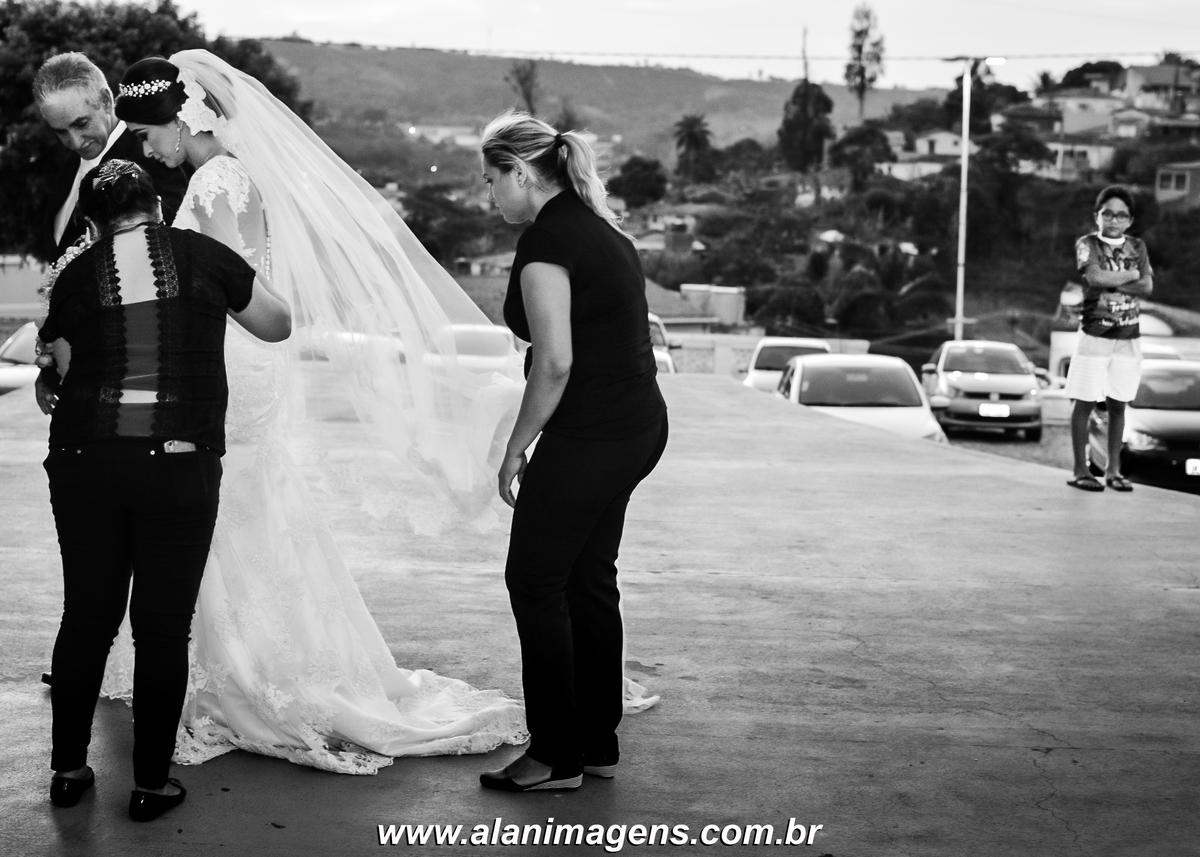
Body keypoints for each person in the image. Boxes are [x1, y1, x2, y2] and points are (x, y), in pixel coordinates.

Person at [90, 52, 531, 775]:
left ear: (185, 118)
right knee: (241, 509)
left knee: (223, 509)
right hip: (238, 365)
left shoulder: (218, 179)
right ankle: (225, 659)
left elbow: (225, 288)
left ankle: (249, 670)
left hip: (227, 365)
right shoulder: (230, 176)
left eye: (148, 132)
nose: (145, 146)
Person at [39, 159, 291, 821]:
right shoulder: (203, 255)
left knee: (87, 617)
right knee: (160, 630)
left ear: (93, 223)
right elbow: (277, 323)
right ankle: (150, 783)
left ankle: (68, 770)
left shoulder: (76, 273)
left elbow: (58, 369)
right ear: (156, 205)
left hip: (83, 459)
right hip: (177, 459)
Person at [477, 111, 669, 792]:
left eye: (492, 179)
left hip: (595, 434)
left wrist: (516, 445)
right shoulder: (600, 230)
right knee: (587, 577)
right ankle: (594, 742)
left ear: (521, 173)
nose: (489, 195)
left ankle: (554, 752)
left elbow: (553, 363)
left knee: (534, 581)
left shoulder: (549, 244)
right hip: (635, 426)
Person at [32, 52, 190, 416]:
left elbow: (169, 249)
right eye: (59, 131)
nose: (73, 140)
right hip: (79, 370)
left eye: (81, 123)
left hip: (135, 372)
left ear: (106, 101)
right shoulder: (66, 170)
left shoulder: (153, 157)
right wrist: (51, 362)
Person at [1066, 185, 1153, 493]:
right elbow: (1094, 278)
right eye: (1108, 214)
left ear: (1129, 220)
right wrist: (1130, 276)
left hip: (1129, 337)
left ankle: (1113, 471)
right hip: (1095, 334)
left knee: (1118, 404)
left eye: (1121, 215)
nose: (1114, 220)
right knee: (1085, 401)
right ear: (1097, 216)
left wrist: (1117, 282)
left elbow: (1148, 288)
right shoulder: (1087, 243)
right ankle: (1080, 470)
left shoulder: (1138, 246)